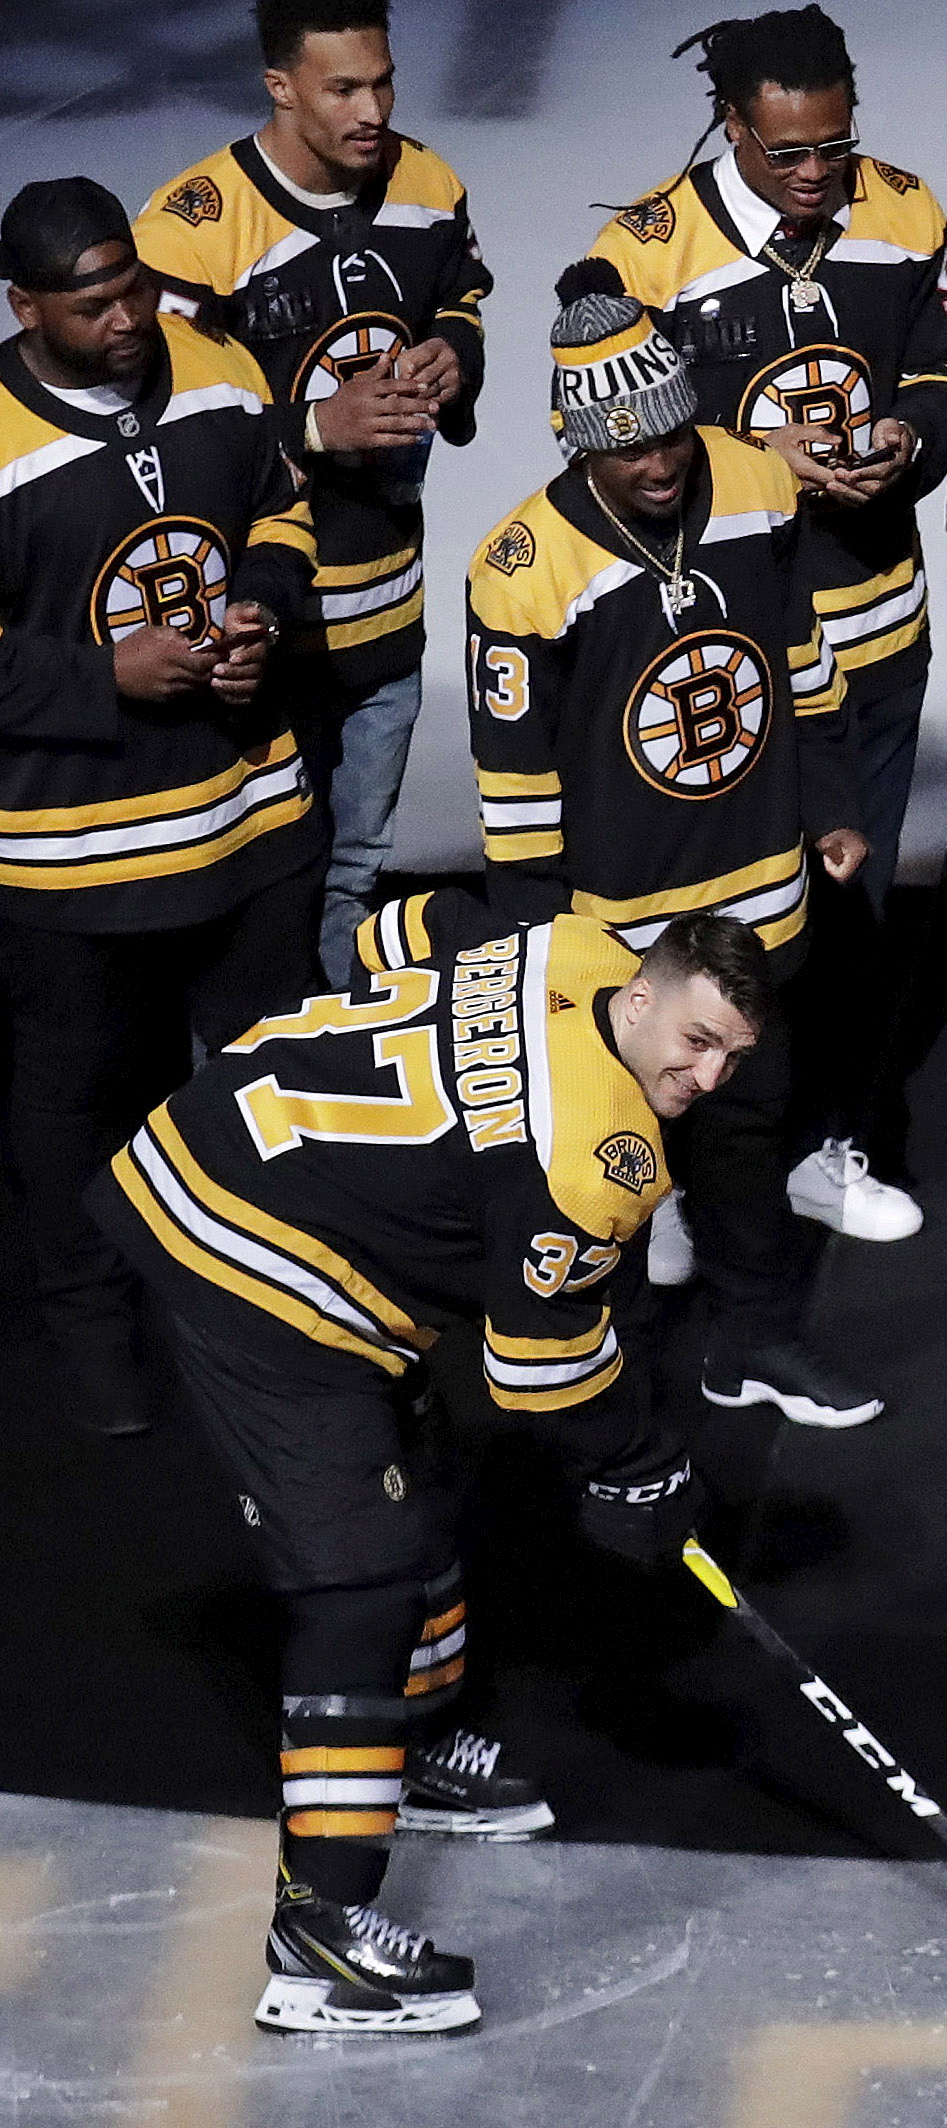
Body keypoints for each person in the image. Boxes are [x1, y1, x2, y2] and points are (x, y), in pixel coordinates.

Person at [91, 893, 765, 2033]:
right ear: (642, 995)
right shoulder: (597, 1157)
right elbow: (540, 1372)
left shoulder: (571, 943)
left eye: (733, 1057)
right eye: (696, 1041)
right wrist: (641, 1461)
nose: (707, 1077)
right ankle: (320, 1943)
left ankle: (405, 1754)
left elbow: (394, 931)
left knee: (423, 1472)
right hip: (247, 1250)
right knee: (360, 1581)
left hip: (251, 1157)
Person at [580, 6, 947, 1246]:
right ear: (729, 126)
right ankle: (659, 1173)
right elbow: (597, 442)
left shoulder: (903, 209)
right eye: (786, 153)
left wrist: (911, 435)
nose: (817, 174)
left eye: (833, 145)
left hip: (879, 635)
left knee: (849, 919)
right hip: (731, 668)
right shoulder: (643, 252)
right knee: (709, 935)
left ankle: (826, 1141)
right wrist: (759, 455)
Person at [464, 287, 882, 1429]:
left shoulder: (756, 482)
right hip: (621, 929)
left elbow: (800, 651)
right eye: (625, 447)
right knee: (604, 1162)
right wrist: (541, 953)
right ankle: (608, 1386)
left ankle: (754, 1344)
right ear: (574, 439)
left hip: (760, 894)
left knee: (751, 1128)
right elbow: (515, 780)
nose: (656, 463)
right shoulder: (520, 567)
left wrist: (834, 802)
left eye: (667, 434)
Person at [0, 178, 320, 1440]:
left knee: (266, 1077)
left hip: (250, 819)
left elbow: (282, 510)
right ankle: (94, 1335)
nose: (127, 318)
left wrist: (261, 612)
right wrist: (103, 677)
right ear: (25, 308)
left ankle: (277, 1305)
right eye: (92, 305)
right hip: (75, 862)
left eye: (131, 287)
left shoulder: (217, 367)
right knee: (77, 1100)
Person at [131, 0, 491, 985]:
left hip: (387, 614)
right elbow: (152, 435)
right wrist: (314, 428)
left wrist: (453, 354)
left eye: (383, 81)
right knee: (255, 892)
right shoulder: (191, 231)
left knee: (353, 876)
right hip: (260, 637)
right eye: (343, 89)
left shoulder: (427, 183)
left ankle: (327, 1065)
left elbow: (459, 301)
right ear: (280, 87)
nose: (373, 109)